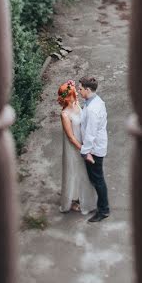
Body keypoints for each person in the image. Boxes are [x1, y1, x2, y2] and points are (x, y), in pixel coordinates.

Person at [57, 80, 96, 215]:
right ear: (69, 97)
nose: (77, 95)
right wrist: (84, 150)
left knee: (84, 171)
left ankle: (82, 197)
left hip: (82, 142)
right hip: (74, 147)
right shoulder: (65, 115)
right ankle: (72, 200)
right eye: (75, 93)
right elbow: (71, 137)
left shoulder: (76, 104)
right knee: (75, 172)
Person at [78, 75, 109, 222]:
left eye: (80, 89)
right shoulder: (93, 100)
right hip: (96, 144)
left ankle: (103, 210)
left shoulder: (92, 109)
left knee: (98, 179)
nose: (79, 91)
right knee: (96, 178)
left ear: (88, 89)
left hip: (94, 148)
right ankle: (100, 206)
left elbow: (90, 134)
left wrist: (85, 152)